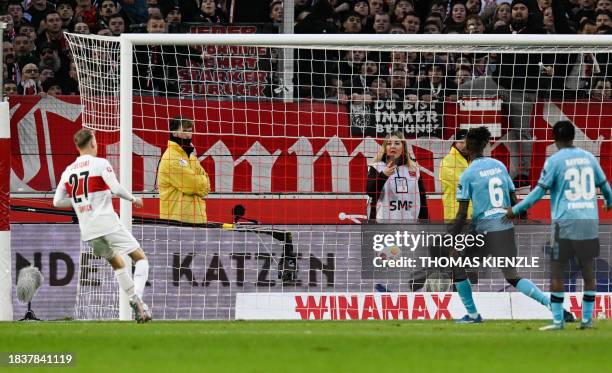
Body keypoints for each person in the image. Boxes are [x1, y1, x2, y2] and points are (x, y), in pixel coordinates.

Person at [449, 126, 566, 323]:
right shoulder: (500, 166)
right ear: (486, 145)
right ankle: (551, 305)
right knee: (512, 275)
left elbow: (461, 213)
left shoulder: (468, 174)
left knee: (455, 260)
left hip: (485, 229)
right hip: (505, 227)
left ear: (467, 148)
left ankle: (473, 314)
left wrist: (451, 237)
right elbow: (513, 199)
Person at [506, 121, 612, 330]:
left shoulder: (554, 161)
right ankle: (587, 321)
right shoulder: (589, 157)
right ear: (574, 137)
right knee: (588, 271)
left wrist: (516, 209)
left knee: (557, 272)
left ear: (554, 139)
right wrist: (609, 201)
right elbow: (605, 186)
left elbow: (538, 192)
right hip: (589, 221)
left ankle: (557, 321)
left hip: (564, 223)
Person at [53, 129, 151, 323]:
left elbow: (57, 202)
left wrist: (79, 202)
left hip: (88, 230)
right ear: (92, 144)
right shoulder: (100, 164)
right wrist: (134, 199)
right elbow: (115, 188)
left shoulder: (68, 171)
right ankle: (137, 297)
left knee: (118, 263)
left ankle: (134, 301)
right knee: (140, 259)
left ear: (77, 147)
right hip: (107, 222)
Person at [366, 131, 428, 222]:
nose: (393, 146)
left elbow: (422, 197)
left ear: (403, 147)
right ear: (385, 147)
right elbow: (370, 192)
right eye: (389, 143)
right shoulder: (377, 167)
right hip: (382, 223)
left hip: (410, 223)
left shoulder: (414, 168)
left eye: (397, 143)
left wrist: (425, 221)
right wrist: (383, 175)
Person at [158, 117, 210, 224]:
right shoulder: (171, 157)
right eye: (185, 131)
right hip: (176, 221)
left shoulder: (191, 157)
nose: (188, 135)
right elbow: (192, 186)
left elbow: (207, 186)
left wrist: (200, 183)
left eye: (190, 131)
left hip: (198, 219)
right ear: (174, 133)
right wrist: (201, 181)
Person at [440, 129, 472, 222]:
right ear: (455, 143)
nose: (465, 145)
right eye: (461, 142)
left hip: (473, 215)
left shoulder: (473, 160)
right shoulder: (447, 162)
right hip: (455, 216)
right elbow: (462, 186)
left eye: (467, 142)